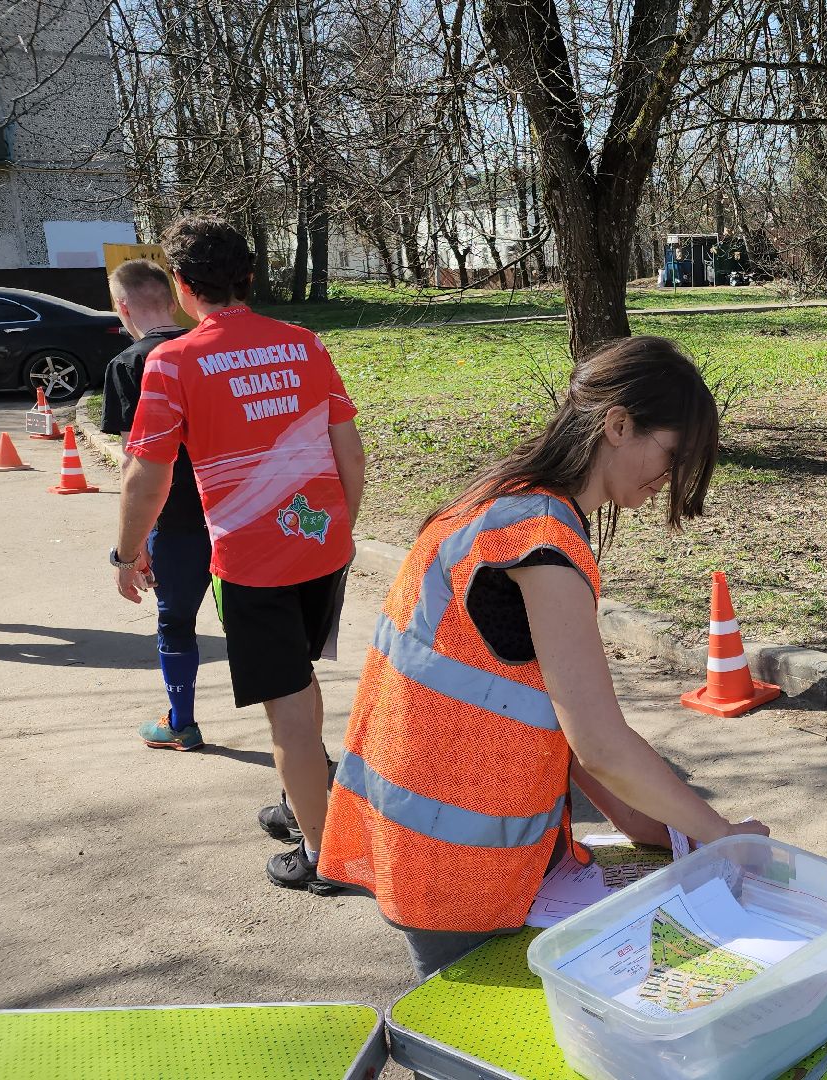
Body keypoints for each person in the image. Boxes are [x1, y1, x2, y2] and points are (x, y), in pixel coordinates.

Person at [316, 336, 769, 983]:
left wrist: (649, 821)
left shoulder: (504, 503)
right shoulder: (545, 545)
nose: (666, 478)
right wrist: (723, 834)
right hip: (457, 870)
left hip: (425, 850)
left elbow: (542, 706)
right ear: (619, 425)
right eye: (670, 456)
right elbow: (600, 744)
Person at [112, 217, 365, 893]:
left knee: (283, 704)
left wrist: (126, 553)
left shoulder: (172, 363)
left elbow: (147, 477)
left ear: (184, 289)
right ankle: (304, 796)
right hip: (321, 541)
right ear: (248, 278)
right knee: (298, 674)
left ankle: (322, 854)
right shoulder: (304, 344)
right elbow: (348, 447)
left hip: (251, 561)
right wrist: (343, 530)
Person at [100, 259, 208, 751]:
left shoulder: (128, 365)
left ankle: (181, 723)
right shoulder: (207, 351)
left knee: (175, 620)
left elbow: (135, 463)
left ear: (122, 307)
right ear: (170, 298)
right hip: (232, 511)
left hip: (176, 520)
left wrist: (131, 546)